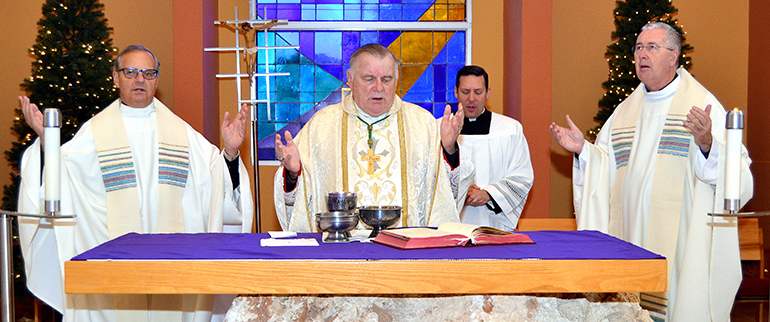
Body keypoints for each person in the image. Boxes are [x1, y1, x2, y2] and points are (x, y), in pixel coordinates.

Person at [17, 45, 254, 322]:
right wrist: (48, 142)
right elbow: (62, 179)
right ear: (116, 78)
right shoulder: (94, 134)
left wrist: (230, 152)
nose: (140, 79)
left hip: (173, 271)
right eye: (130, 72)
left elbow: (217, 183)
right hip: (112, 276)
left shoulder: (182, 134)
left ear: (157, 79)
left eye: (148, 73)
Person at [550, 22, 753, 321]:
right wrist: (585, 151)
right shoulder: (625, 111)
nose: (642, 54)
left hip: (680, 243)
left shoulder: (701, 105)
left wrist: (708, 143)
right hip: (630, 234)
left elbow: (738, 177)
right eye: (638, 48)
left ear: (673, 57)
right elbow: (607, 167)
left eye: (652, 47)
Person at [273, 43, 473, 232]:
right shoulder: (321, 125)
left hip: (406, 252)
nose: (379, 87)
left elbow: (447, 196)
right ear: (350, 79)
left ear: (397, 79)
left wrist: (448, 150)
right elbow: (297, 199)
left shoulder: (423, 123)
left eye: (386, 79)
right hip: (341, 251)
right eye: (369, 79)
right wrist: (292, 173)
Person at [454, 65, 533, 231]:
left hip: (495, 225)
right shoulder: (440, 129)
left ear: (487, 93)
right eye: (465, 91)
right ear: (456, 92)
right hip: (453, 225)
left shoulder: (510, 129)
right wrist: (460, 191)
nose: (471, 98)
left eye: (478, 91)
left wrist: (489, 194)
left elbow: (523, 176)